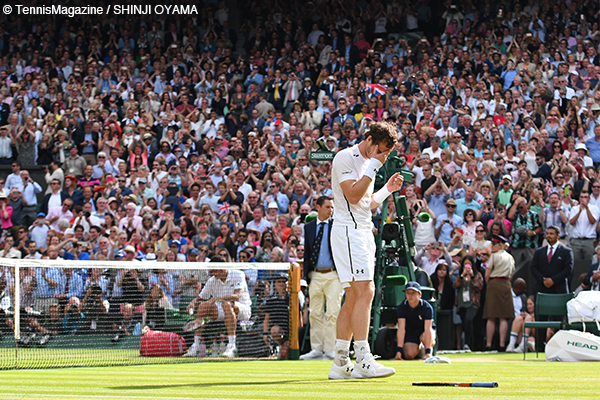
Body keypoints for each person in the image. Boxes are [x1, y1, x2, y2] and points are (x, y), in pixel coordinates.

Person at [328, 121, 403, 379]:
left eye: (386, 154)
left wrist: (387, 190)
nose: (382, 157)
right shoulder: (345, 157)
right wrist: (374, 166)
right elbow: (351, 195)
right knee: (366, 291)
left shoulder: (369, 163)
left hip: (361, 231)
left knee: (353, 296)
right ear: (369, 139)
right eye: (381, 151)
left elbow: (366, 203)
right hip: (348, 232)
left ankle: (339, 363)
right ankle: (363, 359)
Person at [300, 196, 343, 360]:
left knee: (333, 312)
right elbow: (308, 253)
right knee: (315, 313)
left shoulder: (337, 226)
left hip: (334, 275)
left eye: (332, 207)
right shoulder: (309, 227)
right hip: (315, 274)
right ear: (317, 207)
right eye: (327, 207)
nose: (330, 210)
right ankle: (317, 349)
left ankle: (330, 349)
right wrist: (307, 276)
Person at [184, 255, 252, 358]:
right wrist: (193, 302)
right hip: (222, 310)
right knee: (203, 305)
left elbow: (237, 296)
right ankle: (196, 345)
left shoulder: (238, 274)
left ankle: (231, 346)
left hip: (242, 309)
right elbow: (200, 298)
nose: (212, 273)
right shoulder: (212, 280)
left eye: (214, 270)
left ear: (222, 268)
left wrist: (216, 299)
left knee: (226, 303)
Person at [483, 235, 515, 351]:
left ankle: (489, 344)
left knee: (491, 316)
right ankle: (502, 344)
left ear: (500, 245)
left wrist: (489, 284)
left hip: (494, 283)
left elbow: (487, 274)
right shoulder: (510, 257)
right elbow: (511, 275)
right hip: (505, 284)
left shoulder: (494, 256)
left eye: (494, 244)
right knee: (503, 317)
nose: (492, 246)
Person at [394, 282, 435, 360]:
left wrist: (428, 353)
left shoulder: (427, 308)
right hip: (411, 333)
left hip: (425, 332)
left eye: (413, 293)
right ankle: (419, 350)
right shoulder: (401, 307)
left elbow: (428, 330)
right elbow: (401, 329)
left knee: (425, 337)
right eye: (408, 293)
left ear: (420, 294)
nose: (410, 295)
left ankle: (426, 350)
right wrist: (398, 353)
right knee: (409, 355)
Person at [530, 226, 574, 294]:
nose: (548, 236)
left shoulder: (566, 251)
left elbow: (568, 269)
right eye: (547, 234)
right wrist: (543, 280)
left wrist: (553, 280)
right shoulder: (539, 251)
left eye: (551, 234)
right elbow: (533, 267)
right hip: (542, 289)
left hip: (559, 289)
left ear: (558, 235)